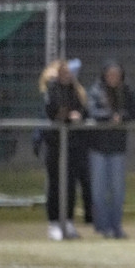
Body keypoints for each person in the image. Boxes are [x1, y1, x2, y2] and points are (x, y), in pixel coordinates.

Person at [87, 59, 135, 239]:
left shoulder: (125, 91)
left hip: (118, 148)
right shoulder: (96, 91)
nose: (113, 77)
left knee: (118, 191)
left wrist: (122, 117)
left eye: (116, 74)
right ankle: (103, 227)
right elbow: (92, 112)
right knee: (99, 191)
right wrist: (109, 117)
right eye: (110, 74)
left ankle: (116, 226)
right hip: (98, 148)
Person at [39, 59, 91, 240]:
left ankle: (68, 221)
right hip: (55, 144)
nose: (68, 76)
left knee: (70, 185)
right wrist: (69, 116)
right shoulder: (51, 90)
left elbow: (84, 110)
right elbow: (54, 112)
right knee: (55, 184)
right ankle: (54, 223)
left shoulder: (75, 90)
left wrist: (79, 115)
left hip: (72, 144)